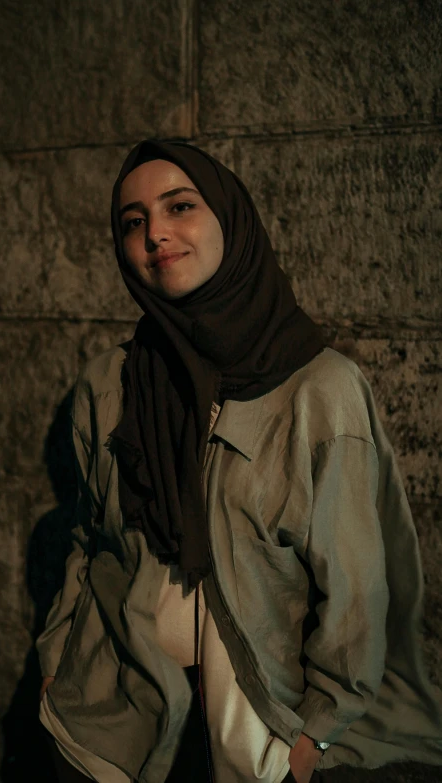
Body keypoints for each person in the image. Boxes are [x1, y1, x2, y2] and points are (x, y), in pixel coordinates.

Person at [36, 139, 442, 783]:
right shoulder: (110, 383)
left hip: (254, 731)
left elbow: (357, 588)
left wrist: (317, 733)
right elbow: (89, 543)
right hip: (114, 721)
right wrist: (58, 660)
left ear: (230, 217)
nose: (156, 235)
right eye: (134, 221)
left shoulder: (319, 389)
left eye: (180, 207)